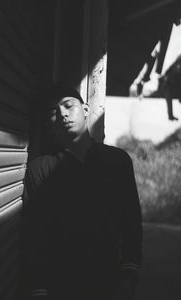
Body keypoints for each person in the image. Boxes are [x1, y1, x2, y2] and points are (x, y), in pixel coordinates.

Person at [21, 82, 142, 300]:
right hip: (60, 284)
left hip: (108, 279)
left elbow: (131, 220)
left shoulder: (117, 161)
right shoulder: (40, 169)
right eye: (53, 112)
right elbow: (34, 232)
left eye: (68, 105)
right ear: (49, 126)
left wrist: (129, 271)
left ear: (86, 110)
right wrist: (38, 288)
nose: (62, 114)